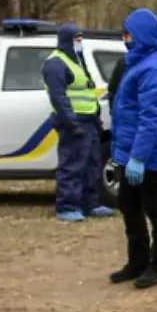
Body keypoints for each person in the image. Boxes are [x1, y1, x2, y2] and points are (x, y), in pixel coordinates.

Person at [108, 8, 157, 290]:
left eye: (128, 34)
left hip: (150, 154)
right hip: (130, 152)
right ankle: (138, 260)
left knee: (156, 207)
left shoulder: (155, 68)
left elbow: (151, 120)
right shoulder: (138, 63)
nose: (125, 39)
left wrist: (139, 158)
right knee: (128, 204)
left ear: (141, 36)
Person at [44, 24, 111, 223]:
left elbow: (86, 90)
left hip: (89, 120)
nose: (80, 43)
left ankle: (91, 203)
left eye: (81, 39)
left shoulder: (78, 60)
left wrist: (96, 117)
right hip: (72, 122)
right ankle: (67, 206)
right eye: (77, 39)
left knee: (92, 164)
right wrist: (72, 122)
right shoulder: (55, 63)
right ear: (67, 40)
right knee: (71, 165)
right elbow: (59, 97)